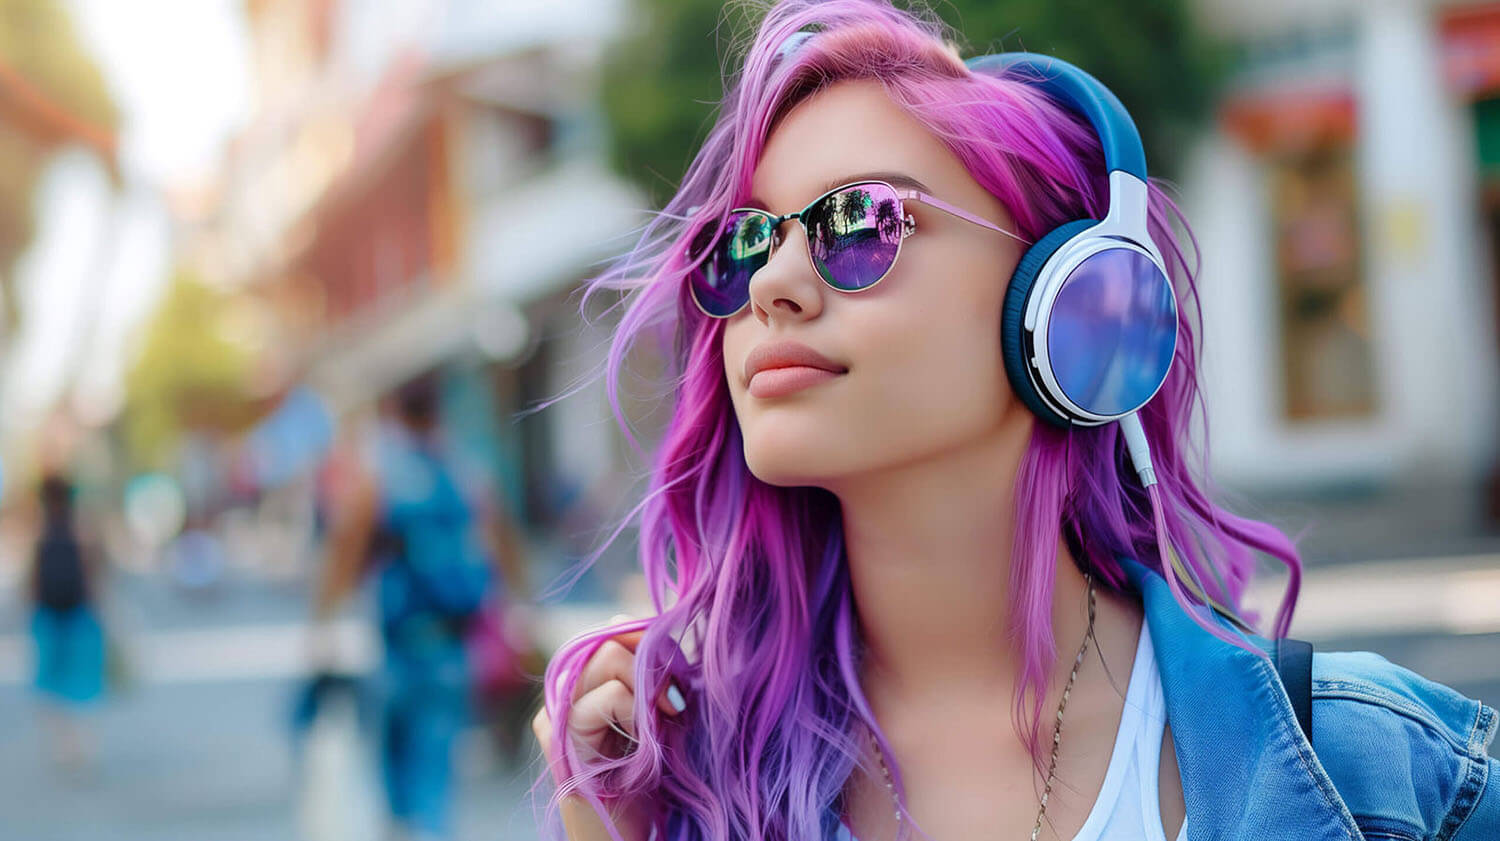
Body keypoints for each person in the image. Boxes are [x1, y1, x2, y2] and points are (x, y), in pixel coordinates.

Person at [530, 2, 1500, 841]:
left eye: (863, 222)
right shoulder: (691, 784)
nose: (772, 287)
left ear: (1074, 303)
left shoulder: (1388, 771)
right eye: (744, 242)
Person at [315, 374, 532, 841]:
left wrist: (324, 621)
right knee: (436, 769)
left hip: (395, 650)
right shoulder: (465, 473)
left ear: (394, 414)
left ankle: (403, 827)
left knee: (393, 774)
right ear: (438, 414)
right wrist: (522, 610)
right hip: (452, 647)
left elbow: (345, 555)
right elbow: (506, 545)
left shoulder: (379, 479)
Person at [27, 472, 106, 775]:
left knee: (52, 682)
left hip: (52, 615)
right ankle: (80, 747)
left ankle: (67, 746)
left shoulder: (42, 532)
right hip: (77, 614)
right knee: (81, 685)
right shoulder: (82, 531)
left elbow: (31, 581)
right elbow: (97, 576)